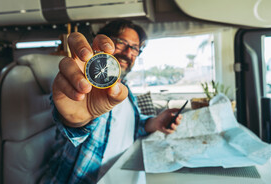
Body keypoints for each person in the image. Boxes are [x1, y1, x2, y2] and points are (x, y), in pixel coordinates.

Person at [41, 20, 182, 183]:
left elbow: (130, 127)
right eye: (122, 42)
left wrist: (155, 122)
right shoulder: (84, 85)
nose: (129, 52)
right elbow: (68, 122)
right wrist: (75, 121)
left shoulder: (126, 92)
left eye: (135, 48)